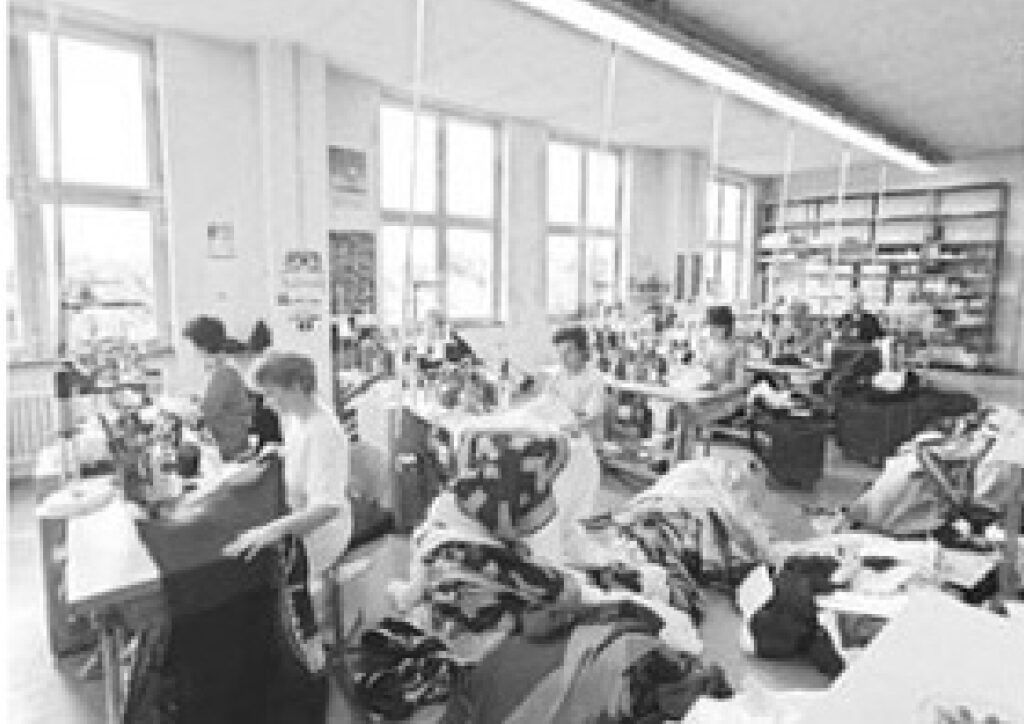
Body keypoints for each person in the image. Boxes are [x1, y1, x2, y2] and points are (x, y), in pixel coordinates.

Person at [225, 352, 353, 652]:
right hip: (297, 512)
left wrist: (272, 531)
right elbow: (303, 458)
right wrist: (279, 452)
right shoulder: (296, 416)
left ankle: (299, 645)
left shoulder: (323, 432)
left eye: (272, 394)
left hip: (322, 531)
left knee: (247, 565)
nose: (268, 403)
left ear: (296, 386)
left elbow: (326, 508)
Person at [183, 316, 252, 460]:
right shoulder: (218, 369)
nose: (191, 350)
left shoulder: (223, 373)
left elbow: (204, 413)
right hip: (225, 443)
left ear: (202, 346)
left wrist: (180, 410)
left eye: (191, 345)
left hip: (230, 450)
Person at [545, 326, 607, 440]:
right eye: (560, 353)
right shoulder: (557, 377)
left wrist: (564, 417)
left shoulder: (595, 378)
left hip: (587, 441)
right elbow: (548, 405)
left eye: (569, 352)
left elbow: (589, 415)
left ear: (582, 351)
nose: (563, 358)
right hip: (560, 436)